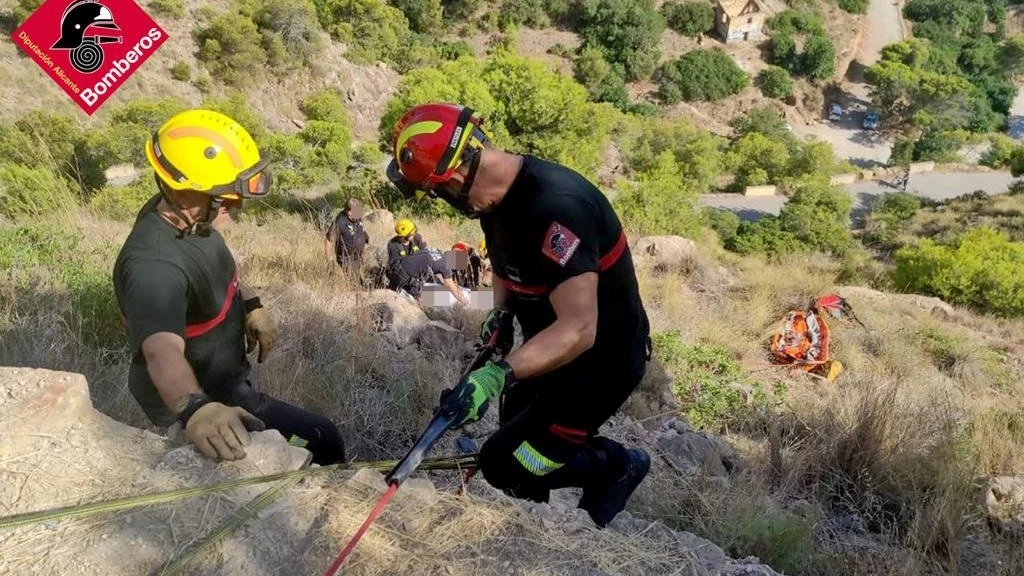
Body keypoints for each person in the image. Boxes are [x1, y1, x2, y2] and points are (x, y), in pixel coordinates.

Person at [386, 103, 652, 528]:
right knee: (515, 433)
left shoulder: (558, 209)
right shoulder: (493, 200)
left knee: (508, 462)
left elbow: (579, 328)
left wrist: (496, 376)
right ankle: (535, 520)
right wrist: (500, 315)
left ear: (452, 177)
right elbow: (508, 264)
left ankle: (617, 466)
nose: (445, 202)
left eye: (438, 193)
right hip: (549, 352)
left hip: (598, 365)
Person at [113, 109, 346, 465]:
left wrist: (250, 304)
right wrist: (195, 409)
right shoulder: (153, 265)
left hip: (224, 375)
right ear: (185, 190)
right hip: (210, 393)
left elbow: (218, 267)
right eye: (225, 196)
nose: (236, 206)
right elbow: (161, 351)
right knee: (323, 440)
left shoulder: (188, 218)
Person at [325, 197, 369, 278]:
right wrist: (330, 260)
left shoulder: (357, 217)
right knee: (354, 284)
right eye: (358, 211)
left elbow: (361, 229)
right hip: (346, 260)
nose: (360, 213)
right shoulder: (340, 222)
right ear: (349, 211)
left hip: (359, 258)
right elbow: (329, 240)